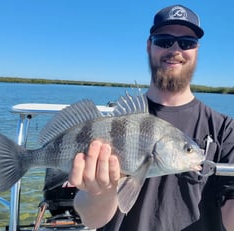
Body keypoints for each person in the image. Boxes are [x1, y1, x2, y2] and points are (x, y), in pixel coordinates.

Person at [68, 5, 234, 231]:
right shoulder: (116, 125)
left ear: (196, 50)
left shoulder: (225, 129)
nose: (175, 49)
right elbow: (92, 221)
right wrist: (100, 191)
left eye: (187, 43)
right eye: (164, 40)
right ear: (149, 45)